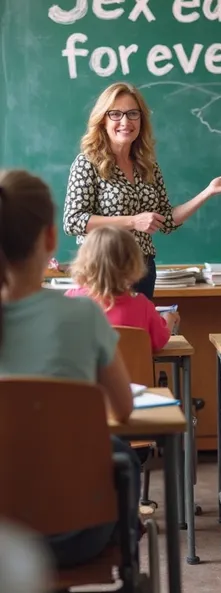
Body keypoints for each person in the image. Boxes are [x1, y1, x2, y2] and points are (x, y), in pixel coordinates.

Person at [0, 169, 140, 568]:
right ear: (50, 238)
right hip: (76, 534)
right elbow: (123, 410)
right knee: (120, 455)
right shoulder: (82, 315)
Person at [63, 82, 221, 299]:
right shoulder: (87, 163)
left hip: (143, 269)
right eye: (115, 114)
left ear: (141, 119)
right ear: (103, 119)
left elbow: (166, 220)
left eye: (133, 114)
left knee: (142, 323)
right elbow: (73, 221)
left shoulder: (146, 165)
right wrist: (133, 221)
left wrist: (208, 192)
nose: (125, 122)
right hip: (104, 270)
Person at [65, 226, 179, 352]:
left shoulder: (69, 301)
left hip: (82, 366)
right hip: (132, 366)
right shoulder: (143, 306)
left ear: (83, 261)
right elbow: (159, 342)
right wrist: (169, 320)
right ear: (134, 264)